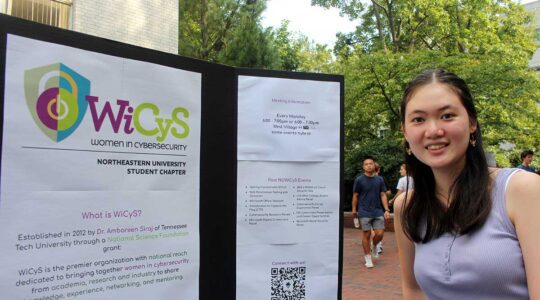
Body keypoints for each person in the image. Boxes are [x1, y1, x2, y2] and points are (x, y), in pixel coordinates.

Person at [394, 69, 540, 299]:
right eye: (418, 119)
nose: (433, 131)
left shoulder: (522, 190)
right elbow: (413, 289)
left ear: (472, 123)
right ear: (405, 132)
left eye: (447, 115)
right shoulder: (406, 207)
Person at [352, 157, 390, 268]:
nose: (369, 165)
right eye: (366, 164)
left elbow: (383, 194)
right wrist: (354, 210)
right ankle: (368, 258)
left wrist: (386, 209)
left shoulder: (380, 180)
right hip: (364, 211)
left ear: (374, 165)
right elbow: (355, 195)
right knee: (366, 234)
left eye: (371, 164)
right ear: (363, 167)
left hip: (378, 211)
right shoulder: (359, 180)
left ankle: (375, 244)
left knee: (380, 234)